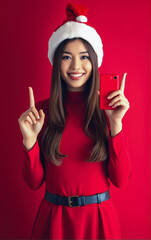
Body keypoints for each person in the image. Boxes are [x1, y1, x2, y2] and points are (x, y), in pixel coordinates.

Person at [18, 3, 132, 239]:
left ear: (93, 61)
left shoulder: (107, 111)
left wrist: (116, 124)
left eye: (84, 57)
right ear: (57, 62)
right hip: (54, 221)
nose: (76, 66)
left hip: (99, 221)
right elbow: (34, 182)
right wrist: (29, 141)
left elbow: (120, 179)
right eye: (67, 57)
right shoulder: (40, 113)